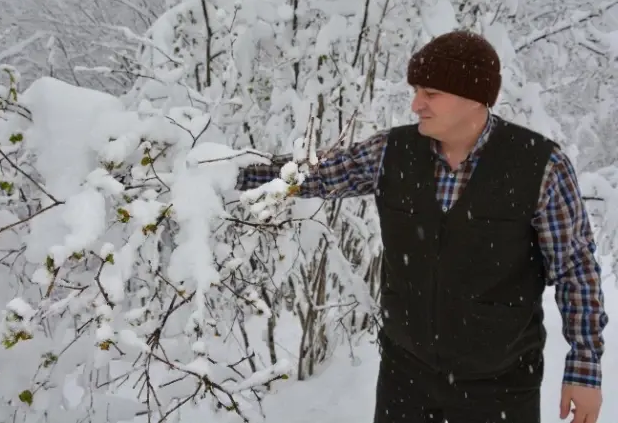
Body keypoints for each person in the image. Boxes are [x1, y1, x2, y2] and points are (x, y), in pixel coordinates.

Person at [235, 30, 608, 423]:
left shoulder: (540, 167)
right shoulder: (390, 152)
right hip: (405, 378)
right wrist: (225, 175)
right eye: (416, 90)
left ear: (474, 97)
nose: (416, 104)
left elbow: (576, 271)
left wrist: (584, 371)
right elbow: (312, 176)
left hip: (501, 385)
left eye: (430, 93)